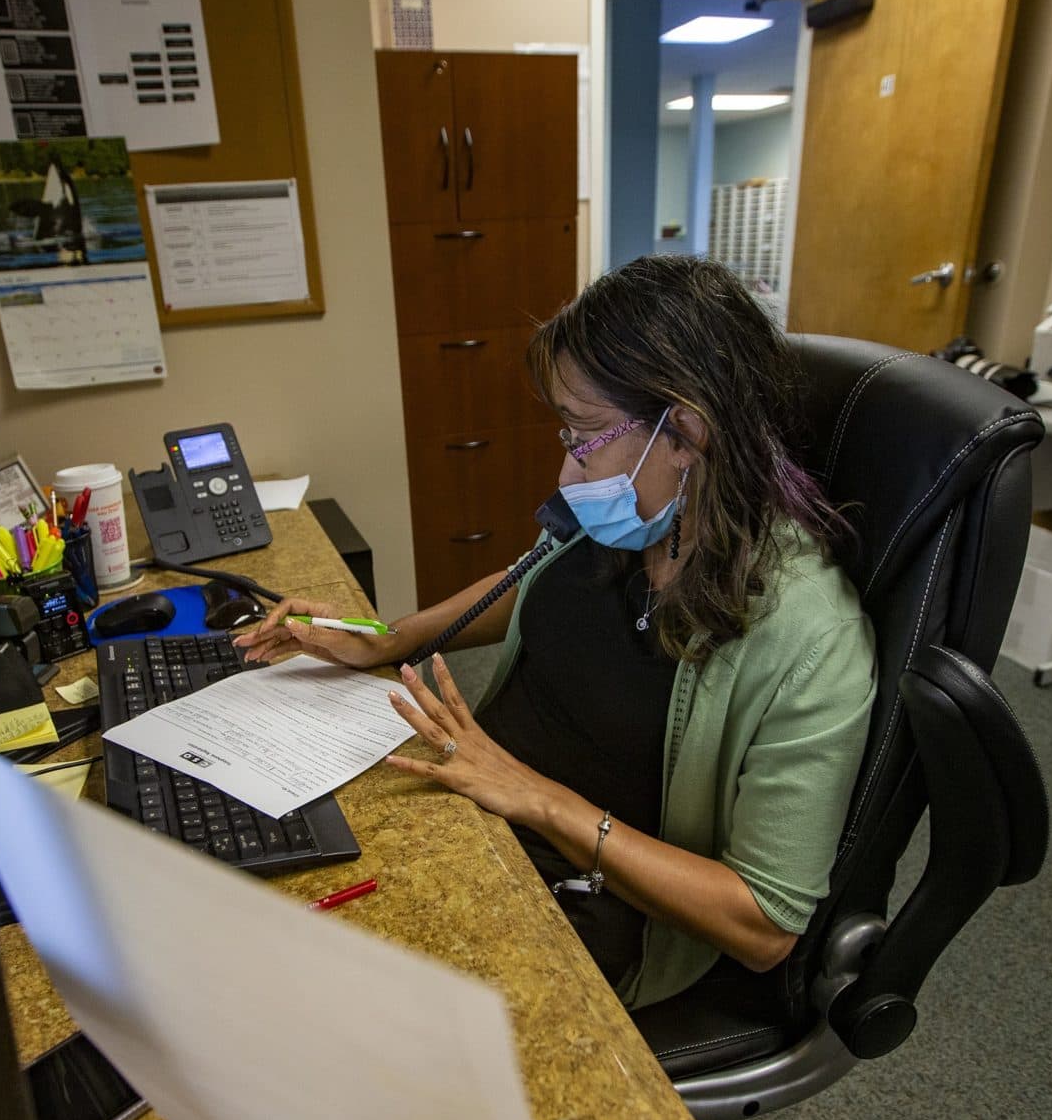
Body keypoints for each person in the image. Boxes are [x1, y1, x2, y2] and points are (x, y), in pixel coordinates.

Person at [236, 255, 877, 1009]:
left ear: (688, 432)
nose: (569, 471)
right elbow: (528, 584)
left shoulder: (811, 640)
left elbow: (765, 924)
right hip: (474, 811)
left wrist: (538, 800)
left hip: (576, 901)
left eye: (587, 434)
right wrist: (390, 637)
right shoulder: (636, 520)